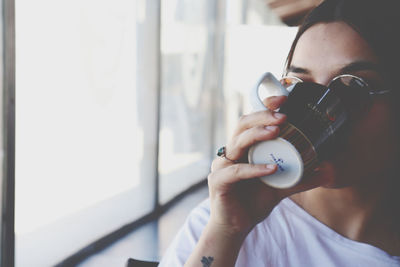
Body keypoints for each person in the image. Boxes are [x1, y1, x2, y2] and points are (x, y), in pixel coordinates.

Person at [159, 0, 400, 266]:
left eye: (353, 88)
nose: (319, 110)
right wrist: (227, 231)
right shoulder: (226, 219)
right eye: (301, 85)